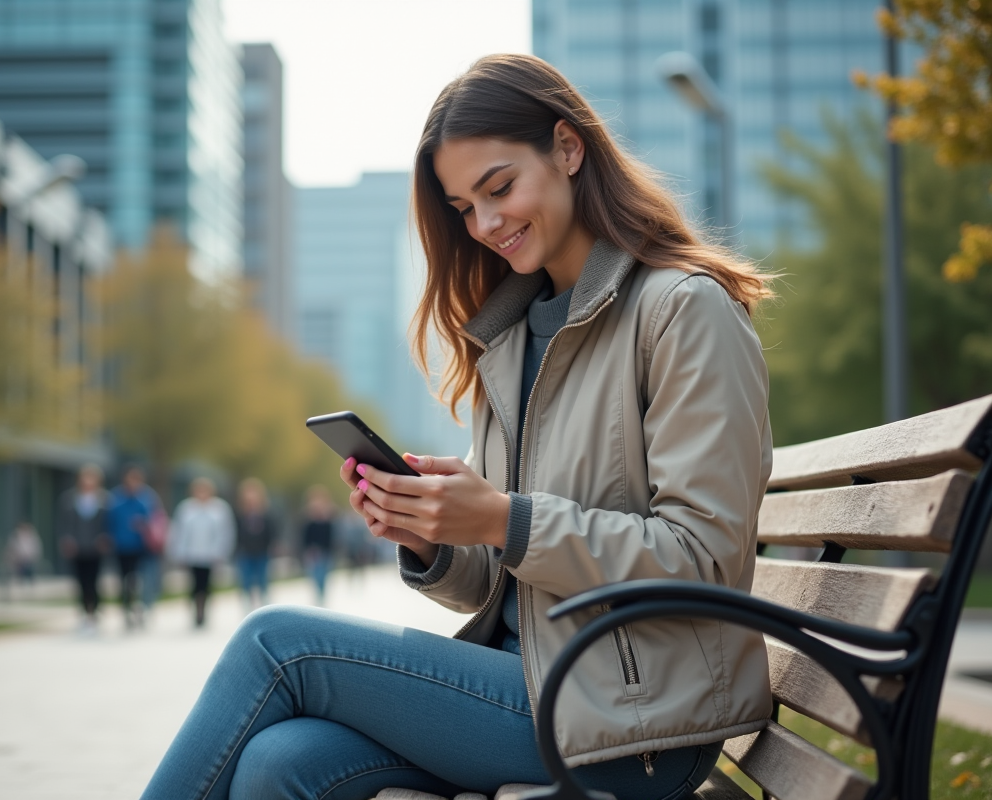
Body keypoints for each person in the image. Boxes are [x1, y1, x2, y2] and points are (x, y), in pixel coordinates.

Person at [142, 54, 774, 800]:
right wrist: (431, 536)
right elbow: (505, 579)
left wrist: (506, 520)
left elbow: (703, 557)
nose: (485, 223)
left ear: (569, 149)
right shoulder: (512, 340)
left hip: (634, 725)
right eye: (464, 207)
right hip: (530, 685)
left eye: (499, 187)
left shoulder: (681, 310)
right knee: (279, 763)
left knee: (274, 644)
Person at [166, 477, 236, 628]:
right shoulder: (186, 508)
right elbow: (179, 532)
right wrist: (178, 552)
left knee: (206, 584)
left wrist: (222, 552)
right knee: (194, 584)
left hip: (211, 555)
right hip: (192, 554)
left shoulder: (220, 509)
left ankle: (203, 610)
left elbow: (225, 532)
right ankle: (195, 610)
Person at [58, 463, 111, 633]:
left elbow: (109, 524)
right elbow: (63, 524)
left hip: (96, 548)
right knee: (80, 581)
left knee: (94, 580)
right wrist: (66, 540)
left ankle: (94, 611)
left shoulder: (104, 500)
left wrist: (105, 539)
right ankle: (83, 611)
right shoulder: (69, 499)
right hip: (77, 547)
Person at [108, 465, 162, 630]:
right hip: (122, 547)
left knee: (143, 580)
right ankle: (127, 609)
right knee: (125, 581)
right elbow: (110, 521)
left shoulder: (147, 497)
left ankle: (144, 609)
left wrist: (143, 525)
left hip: (142, 547)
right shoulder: (116, 498)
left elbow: (155, 519)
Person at [234, 477, 277, 610]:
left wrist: (272, 546)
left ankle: (265, 605)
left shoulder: (266, 515)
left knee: (263, 579)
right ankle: (248, 604)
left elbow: (271, 532)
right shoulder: (240, 516)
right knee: (245, 580)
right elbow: (236, 534)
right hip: (245, 552)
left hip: (262, 551)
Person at [300, 485, 335, 605]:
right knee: (315, 576)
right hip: (313, 554)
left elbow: (331, 538)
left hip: (325, 553)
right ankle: (318, 597)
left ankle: (322, 597)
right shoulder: (309, 522)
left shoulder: (328, 521)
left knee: (324, 577)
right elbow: (305, 538)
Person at [5, 521, 41, 588]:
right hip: (19, 559)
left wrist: (30, 556)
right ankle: (21, 582)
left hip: (29, 558)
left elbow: (35, 548)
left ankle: (30, 583)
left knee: (29, 567)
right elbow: (12, 548)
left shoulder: (32, 536)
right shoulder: (15, 536)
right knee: (20, 568)